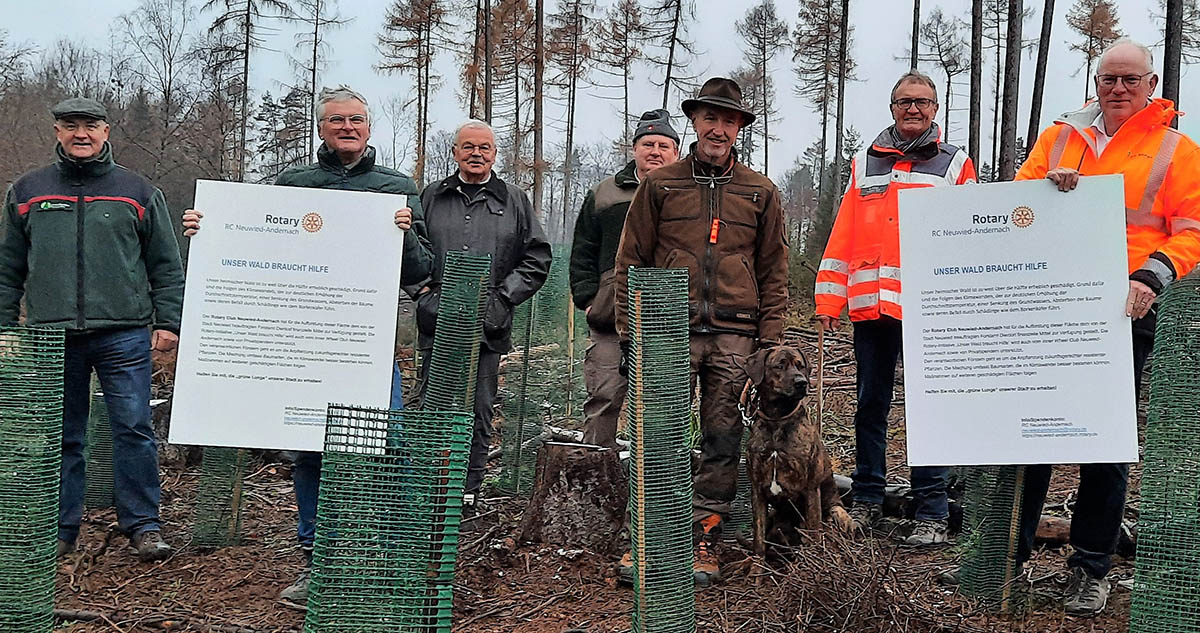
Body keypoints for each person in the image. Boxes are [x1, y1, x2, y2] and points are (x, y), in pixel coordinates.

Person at [182, 85, 433, 603]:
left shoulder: (397, 186)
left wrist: (404, 232)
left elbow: (421, 270)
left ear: (369, 127)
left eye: (357, 120)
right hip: (300, 343)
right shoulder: (294, 183)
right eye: (337, 120)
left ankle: (392, 555)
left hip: (364, 342)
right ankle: (317, 557)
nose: (347, 127)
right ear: (321, 128)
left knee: (388, 447)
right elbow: (257, 237)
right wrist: (209, 229)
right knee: (311, 449)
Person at [1013, 38, 1200, 616]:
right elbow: (1014, 208)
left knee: (1105, 440)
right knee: (1030, 431)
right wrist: (1046, 192)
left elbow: (1192, 229)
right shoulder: (1060, 138)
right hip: (1048, 306)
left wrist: (1151, 276)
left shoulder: (1178, 151)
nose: (1118, 90)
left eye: (1130, 80)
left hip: (1126, 309)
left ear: (1150, 85)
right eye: (1108, 79)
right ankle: (1010, 556)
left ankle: (1091, 565)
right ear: (1096, 81)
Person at [613, 77, 789, 586]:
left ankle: (705, 538)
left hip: (737, 335)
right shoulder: (660, 184)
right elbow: (630, 262)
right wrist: (631, 334)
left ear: (738, 128)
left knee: (722, 435)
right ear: (694, 121)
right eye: (709, 117)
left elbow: (775, 272)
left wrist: (770, 343)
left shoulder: (760, 192)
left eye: (728, 120)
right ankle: (649, 539)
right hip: (669, 330)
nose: (718, 128)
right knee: (658, 434)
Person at [0, 97, 185, 562]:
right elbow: (7, 267)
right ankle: (62, 529)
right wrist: (4, 326)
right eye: (69, 125)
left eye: (91, 125)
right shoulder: (28, 190)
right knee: (63, 434)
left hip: (123, 332)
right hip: (50, 333)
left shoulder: (137, 191)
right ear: (57, 132)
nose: (80, 134)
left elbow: (166, 264)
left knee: (134, 429)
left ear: (106, 132)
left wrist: (168, 321)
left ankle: (143, 525)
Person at [813, 71, 976, 546]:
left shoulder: (954, 165)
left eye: (922, 102)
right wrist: (829, 297)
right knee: (870, 404)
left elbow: (970, 234)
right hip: (871, 310)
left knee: (929, 409)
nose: (913, 110)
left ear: (936, 109)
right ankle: (867, 499)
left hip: (929, 308)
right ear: (892, 107)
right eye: (904, 101)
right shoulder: (865, 164)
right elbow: (844, 232)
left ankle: (931, 508)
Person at [410, 119, 551, 509]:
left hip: (488, 325)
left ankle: (467, 488)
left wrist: (502, 300)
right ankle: (429, 484)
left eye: (484, 147)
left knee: (479, 407)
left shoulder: (514, 200)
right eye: (468, 146)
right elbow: (411, 251)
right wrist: (423, 295)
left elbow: (537, 258)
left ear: (495, 154)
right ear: (454, 152)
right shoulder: (432, 197)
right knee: (432, 401)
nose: (476, 154)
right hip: (437, 322)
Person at [569, 109, 680, 449]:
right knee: (603, 399)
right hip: (610, 319)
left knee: (662, 408)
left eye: (664, 145)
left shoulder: (687, 194)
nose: (655, 151)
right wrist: (589, 300)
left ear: (676, 152)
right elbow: (582, 250)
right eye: (648, 144)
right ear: (635, 149)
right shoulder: (605, 194)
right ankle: (593, 481)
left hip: (669, 319)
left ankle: (655, 489)